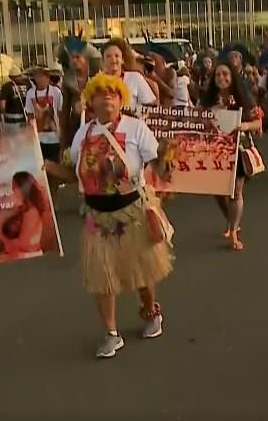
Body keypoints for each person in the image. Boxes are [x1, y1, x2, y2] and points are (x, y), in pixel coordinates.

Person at [45, 72, 173, 359]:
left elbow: (158, 165)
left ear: (121, 98)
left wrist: (168, 165)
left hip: (132, 212)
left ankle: (151, 310)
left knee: (140, 273)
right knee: (101, 276)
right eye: (101, 93)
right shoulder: (83, 134)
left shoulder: (136, 128)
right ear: (91, 100)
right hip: (96, 215)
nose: (107, 98)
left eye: (113, 94)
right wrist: (49, 168)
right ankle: (111, 333)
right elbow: (74, 173)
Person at [200, 62, 263, 251]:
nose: (222, 78)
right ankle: (230, 219)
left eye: (225, 74)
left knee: (236, 190)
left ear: (232, 77)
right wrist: (207, 119)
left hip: (237, 148)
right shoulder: (208, 98)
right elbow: (198, 119)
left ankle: (234, 231)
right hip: (214, 148)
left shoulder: (243, 98)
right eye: (218, 75)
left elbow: (258, 122)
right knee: (217, 190)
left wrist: (244, 126)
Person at [59, 34, 101, 149]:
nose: (74, 60)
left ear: (86, 57)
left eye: (78, 57)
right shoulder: (68, 79)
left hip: (97, 125)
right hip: (76, 126)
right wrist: (63, 141)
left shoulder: (97, 76)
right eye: (72, 57)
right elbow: (65, 110)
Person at [101, 38, 157, 111]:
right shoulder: (96, 82)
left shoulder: (135, 78)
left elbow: (152, 106)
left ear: (122, 60)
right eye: (108, 56)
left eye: (117, 56)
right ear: (103, 60)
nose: (113, 59)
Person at [0, 172, 46, 255]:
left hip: (31, 255)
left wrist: (3, 239)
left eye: (15, 187)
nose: (13, 191)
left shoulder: (31, 212)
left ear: (23, 188)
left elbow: (24, 244)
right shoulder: (26, 209)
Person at [25, 65, 63, 163]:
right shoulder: (30, 93)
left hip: (54, 137)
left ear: (48, 77)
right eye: (37, 76)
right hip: (38, 137)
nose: (40, 79)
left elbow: (60, 112)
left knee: (55, 164)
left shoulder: (56, 91)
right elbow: (29, 114)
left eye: (43, 76)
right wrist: (30, 134)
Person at [0, 65, 30, 134]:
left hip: (11, 120)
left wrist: (4, 114)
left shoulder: (6, 87)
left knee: (13, 141)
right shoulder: (28, 85)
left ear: (10, 77)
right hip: (26, 118)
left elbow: (2, 105)